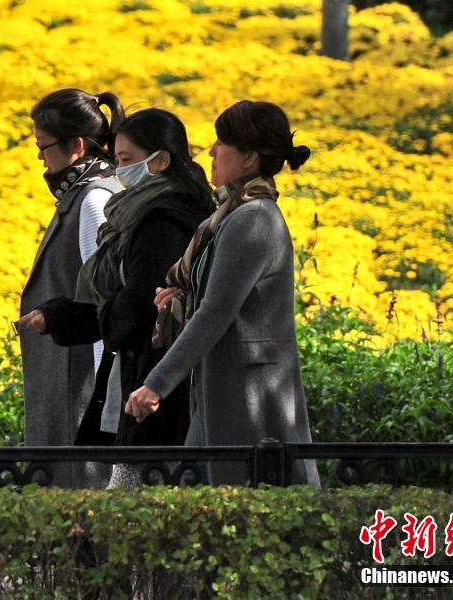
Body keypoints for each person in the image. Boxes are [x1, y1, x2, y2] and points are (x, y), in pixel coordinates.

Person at [126, 100, 321, 488]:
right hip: (228, 387)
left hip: (251, 396)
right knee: (211, 504)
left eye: (221, 143)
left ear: (249, 158)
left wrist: (156, 384)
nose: (211, 152)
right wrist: (181, 296)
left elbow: (216, 311)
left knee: (245, 508)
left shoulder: (251, 219)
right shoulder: (233, 214)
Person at [20, 108, 214, 488]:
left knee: (135, 500)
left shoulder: (161, 220)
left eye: (125, 160)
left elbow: (138, 306)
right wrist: (59, 317)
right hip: (138, 380)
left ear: (159, 161)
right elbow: (119, 299)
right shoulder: (137, 213)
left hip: (153, 387)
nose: (118, 170)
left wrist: (81, 319)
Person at [19, 88, 125, 488]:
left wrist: (106, 401)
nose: (41, 160)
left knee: (77, 499)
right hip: (69, 381)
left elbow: (101, 305)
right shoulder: (87, 192)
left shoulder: (93, 200)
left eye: (43, 148)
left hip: (77, 388)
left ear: (76, 146)